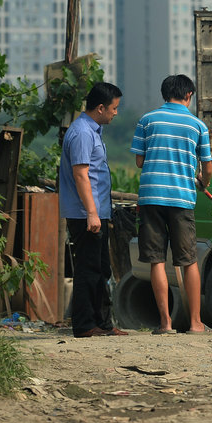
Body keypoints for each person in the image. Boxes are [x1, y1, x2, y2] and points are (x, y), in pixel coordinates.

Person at [131, 74, 212, 334]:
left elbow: (140, 162)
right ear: (189, 95)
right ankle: (195, 324)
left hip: (151, 197)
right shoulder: (197, 126)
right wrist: (203, 181)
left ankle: (165, 324)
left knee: (156, 260)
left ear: (165, 94)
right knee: (188, 260)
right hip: (181, 198)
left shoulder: (146, 120)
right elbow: (208, 167)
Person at [59, 81, 128, 338]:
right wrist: (91, 212)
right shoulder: (82, 133)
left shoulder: (93, 130)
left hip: (96, 212)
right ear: (100, 108)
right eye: (114, 108)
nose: (116, 112)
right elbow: (80, 174)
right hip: (85, 213)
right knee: (88, 269)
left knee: (101, 269)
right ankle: (85, 325)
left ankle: (103, 324)